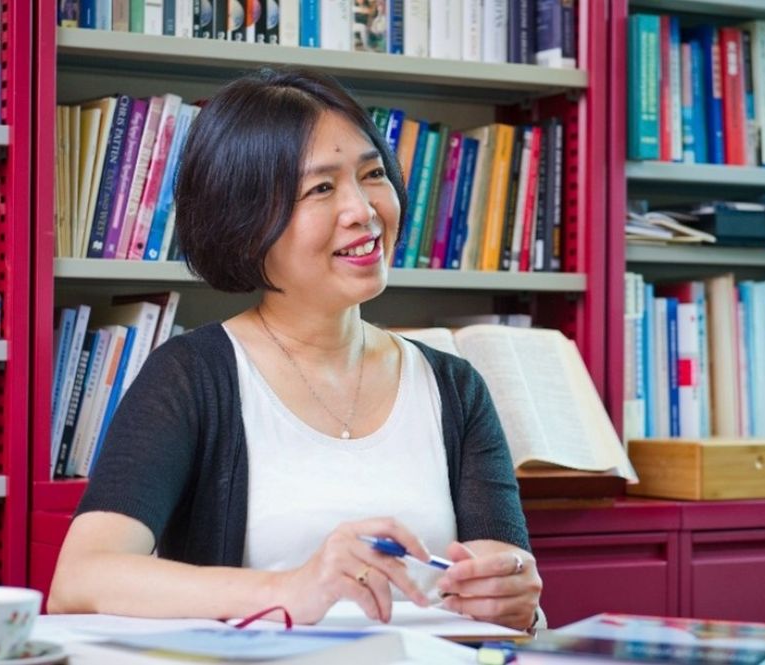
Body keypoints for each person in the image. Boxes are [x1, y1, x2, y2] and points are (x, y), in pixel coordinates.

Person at [47, 68, 544, 632]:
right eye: (322, 188)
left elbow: (502, 583)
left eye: (372, 173)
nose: (363, 209)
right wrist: (291, 589)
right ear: (246, 221)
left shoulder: (455, 388)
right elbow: (80, 580)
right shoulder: (191, 376)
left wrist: (512, 597)